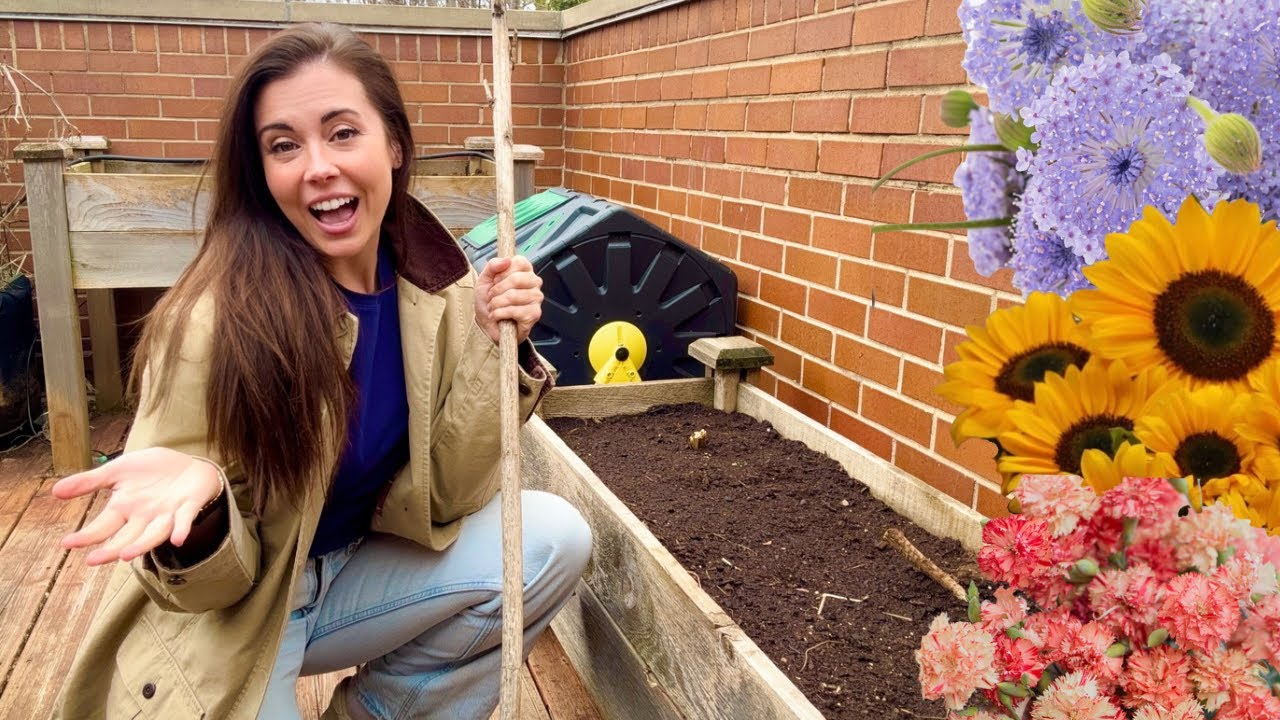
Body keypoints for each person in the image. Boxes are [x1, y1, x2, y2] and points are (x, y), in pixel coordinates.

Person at [52, 22, 591, 720]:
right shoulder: (215, 320)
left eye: (342, 133)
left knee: (553, 538)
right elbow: (197, 590)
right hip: (242, 606)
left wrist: (497, 345)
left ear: (393, 145)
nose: (317, 167)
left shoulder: (440, 290)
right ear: (262, 170)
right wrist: (208, 505)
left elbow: (449, 496)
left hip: (357, 573)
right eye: (284, 146)